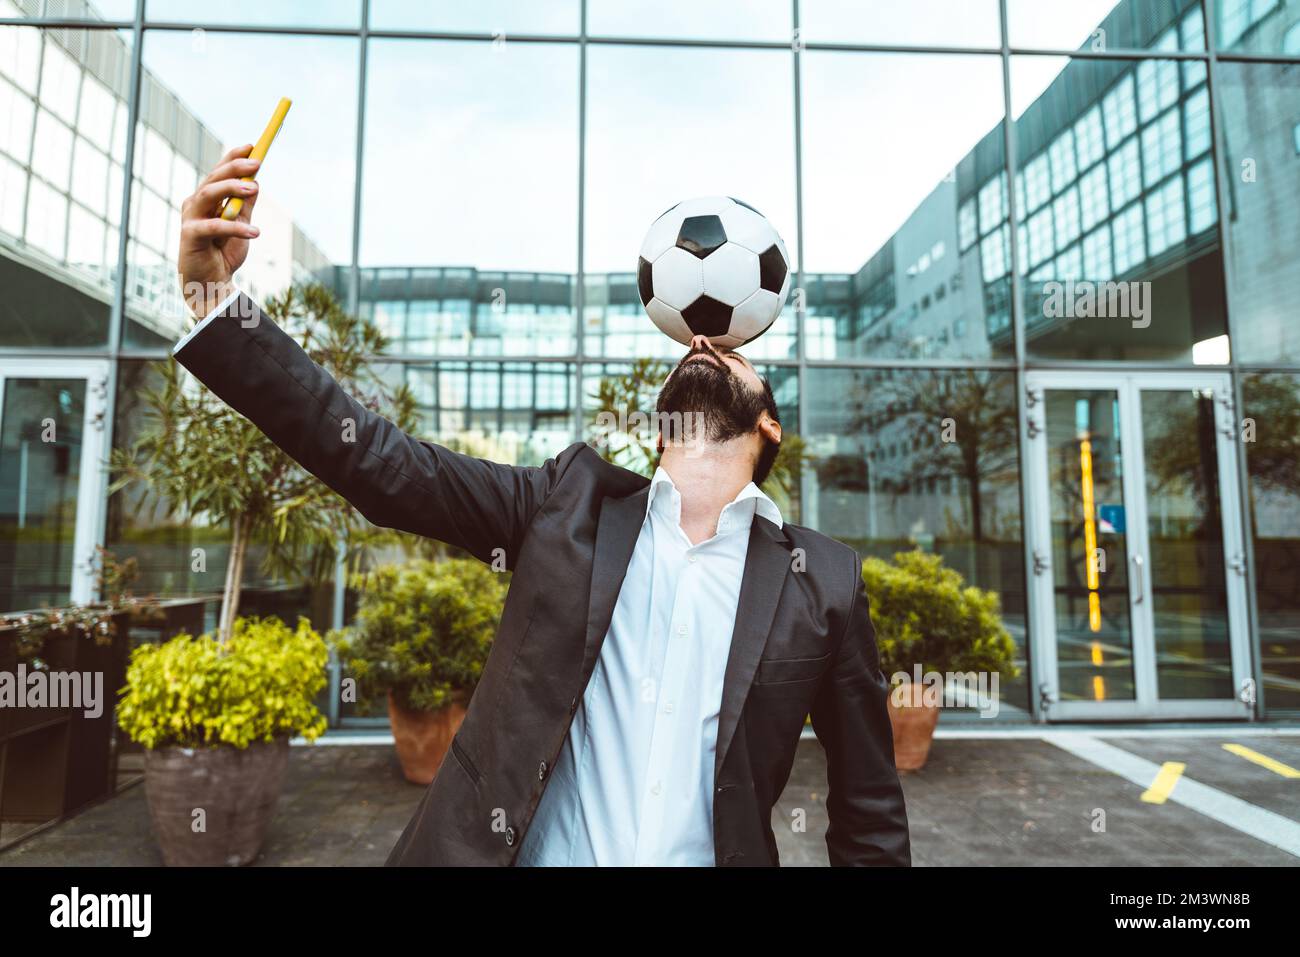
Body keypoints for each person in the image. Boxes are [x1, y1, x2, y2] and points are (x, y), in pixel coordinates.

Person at [174, 145, 911, 867]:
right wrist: (215, 299)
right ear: (658, 428)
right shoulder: (567, 505)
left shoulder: (825, 581)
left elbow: (869, 810)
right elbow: (379, 463)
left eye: (732, 354)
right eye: (691, 348)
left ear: (769, 426)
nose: (704, 345)